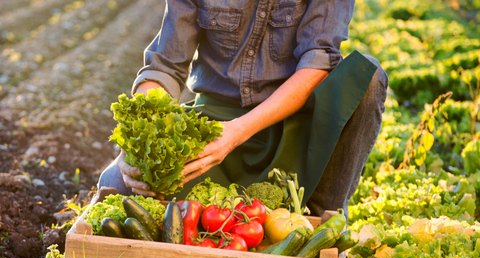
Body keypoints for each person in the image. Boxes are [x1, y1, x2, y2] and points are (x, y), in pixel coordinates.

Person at [98, 0, 388, 220]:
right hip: (212, 128)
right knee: (116, 186)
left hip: (292, 125)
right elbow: (164, 67)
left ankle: (321, 214)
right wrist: (143, 137)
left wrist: (237, 132)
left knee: (369, 77)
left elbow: (318, 63)